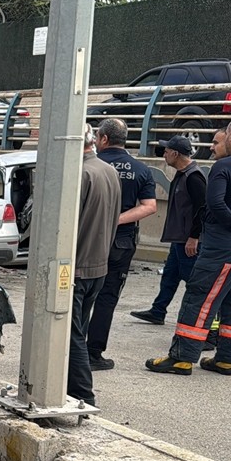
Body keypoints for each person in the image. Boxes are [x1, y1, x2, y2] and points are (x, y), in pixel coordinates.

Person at [146, 116, 231, 376]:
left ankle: (181, 358)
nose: (212, 146)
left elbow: (215, 204)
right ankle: (227, 359)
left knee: (201, 295)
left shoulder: (225, 166)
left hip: (225, 244)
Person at [86, 118, 158, 371]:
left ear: (104, 139)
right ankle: (93, 353)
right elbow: (149, 206)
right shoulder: (140, 169)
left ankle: (70, 349)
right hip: (121, 241)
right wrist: (117, 220)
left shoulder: (91, 165)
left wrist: (104, 219)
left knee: (79, 293)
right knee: (107, 298)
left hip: (88, 238)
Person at [70, 123, 122, 407]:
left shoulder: (80, 174)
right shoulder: (108, 170)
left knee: (71, 334)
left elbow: (66, 227)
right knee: (78, 330)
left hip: (75, 267)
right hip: (98, 265)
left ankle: (81, 395)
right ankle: (69, 388)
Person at [129, 135, 206, 325]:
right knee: (170, 276)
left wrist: (194, 237)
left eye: (166, 151)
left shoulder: (194, 177)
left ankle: (197, 320)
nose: (164, 154)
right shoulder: (183, 174)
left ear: (175, 153)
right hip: (178, 238)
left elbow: (203, 209)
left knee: (193, 281)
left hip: (187, 240)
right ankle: (158, 311)